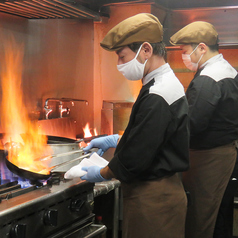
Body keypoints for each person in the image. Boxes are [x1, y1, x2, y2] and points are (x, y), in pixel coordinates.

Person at [66, 13, 190, 238]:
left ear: (146, 50)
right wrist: (117, 140)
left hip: (155, 200)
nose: (119, 64)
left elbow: (136, 157)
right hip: (160, 194)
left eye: (122, 57)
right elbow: (153, 137)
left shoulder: (158, 94)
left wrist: (100, 173)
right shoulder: (161, 82)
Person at [170, 21, 238, 238]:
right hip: (225, 152)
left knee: (204, 220)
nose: (184, 56)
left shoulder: (209, 78)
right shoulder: (226, 68)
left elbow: (193, 124)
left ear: (201, 48)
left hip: (211, 160)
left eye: (185, 51)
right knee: (219, 215)